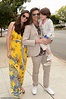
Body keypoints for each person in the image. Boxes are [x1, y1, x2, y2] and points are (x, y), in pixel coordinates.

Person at [22, 7, 54, 95]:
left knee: (47, 70)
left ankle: (46, 86)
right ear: (31, 16)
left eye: (38, 14)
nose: (36, 16)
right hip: (35, 52)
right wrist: (36, 41)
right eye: (34, 14)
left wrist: (50, 40)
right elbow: (24, 41)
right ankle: (35, 85)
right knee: (36, 70)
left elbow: (49, 35)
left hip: (46, 51)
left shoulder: (43, 23)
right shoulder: (28, 27)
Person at [6, 10, 30, 99]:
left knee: (21, 72)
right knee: (14, 72)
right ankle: (15, 92)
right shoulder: (12, 24)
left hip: (23, 52)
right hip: (14, 51)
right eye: (24, 16)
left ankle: (20, 86)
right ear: (21, 15)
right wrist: (8, 51)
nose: (25, 18)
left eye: (27, 18)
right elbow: (8, 38)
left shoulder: (26, 27)